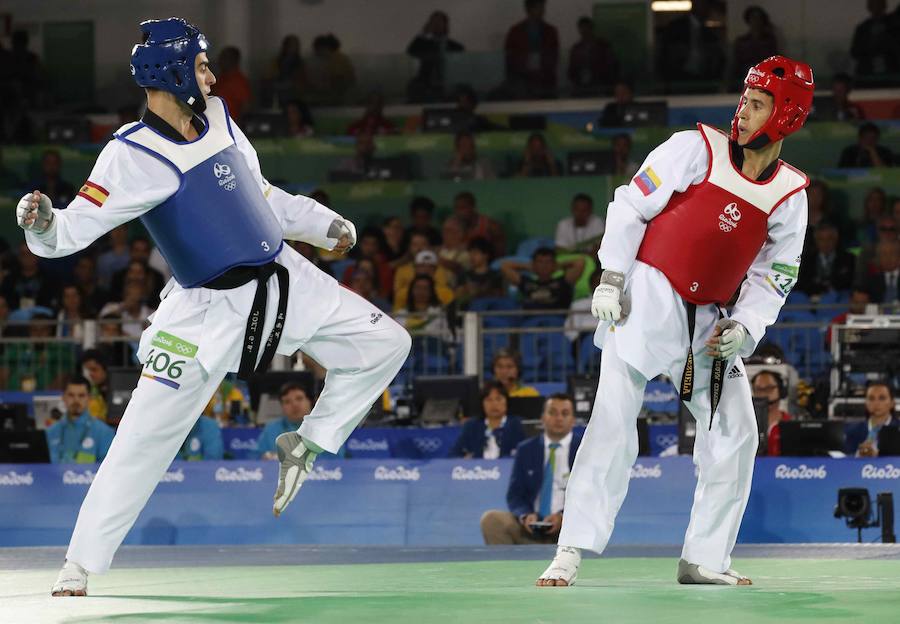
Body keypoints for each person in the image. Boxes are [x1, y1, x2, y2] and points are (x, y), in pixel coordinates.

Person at [18, 18, 410, 597]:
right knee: (142, 440)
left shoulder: (221, 117)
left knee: (387, 344)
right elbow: (75, 227)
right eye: (201, 66)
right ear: (171, 73)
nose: (211, 75)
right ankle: (79, 564)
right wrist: (45, 224)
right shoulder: (131, 153)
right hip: (202, 314)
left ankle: (306, 443)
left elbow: (261, 194)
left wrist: (322, 224)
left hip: (284, 278)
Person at [537, 56, 814, 588]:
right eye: (745, 99)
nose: (743, 112)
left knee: (737, 430)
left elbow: (776, 274)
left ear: (786, 117)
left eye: (757, 105)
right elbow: (629, 207)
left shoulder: (789, 195)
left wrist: (748, 327)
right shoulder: (695, 148)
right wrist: (612, 277)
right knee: (614, 420)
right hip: (646, 296)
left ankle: (704, 557)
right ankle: (569, 551)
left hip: (708, 321)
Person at [481, 394, 582, 544]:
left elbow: (590, 496)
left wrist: (562, 516)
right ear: (543, 418)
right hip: (530, 529)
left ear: (573, 420)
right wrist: (525, 515)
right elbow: (515, 495)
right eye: (552, 413)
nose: (559, 418)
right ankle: (509, 567)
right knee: (491, 520)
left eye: (565, 414)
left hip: (569, 530)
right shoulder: (526, 449)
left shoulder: (585, 450)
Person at [45, 376, 116, 465]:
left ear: (89, 398)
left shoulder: (105, 432)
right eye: (71, 395)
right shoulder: (50, 432)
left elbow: (107, 470)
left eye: (81, 396)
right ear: (63, 397)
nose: (76, 400)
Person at [657, 0, 725, 88]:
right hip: (677, 81)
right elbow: (664, 55)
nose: (708, 9)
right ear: (695, 4)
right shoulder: (675, 27)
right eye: (704, 5)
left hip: (704, 82)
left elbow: (719, 58)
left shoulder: (710, 34)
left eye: (709, 6)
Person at [450, 382, 525, 458]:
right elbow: (453, 455)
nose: (494, 404)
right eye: (489, 400)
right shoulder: (472, 426)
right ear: (482, 404)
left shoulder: (519, 425)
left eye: (498, 399)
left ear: (507, 402)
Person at [503, 0, 559, 99]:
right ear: (529, 9)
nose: (542, 11)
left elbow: (554, 57)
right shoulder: (515, 32)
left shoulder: (550, 31)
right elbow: (509, 60)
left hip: (545, 82)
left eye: (543, 7)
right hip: (522, 84)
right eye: (539, 8)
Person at [406, 10, 464, 103]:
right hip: (426, 87)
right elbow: (411, 51)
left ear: (446, 25)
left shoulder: (456, 47)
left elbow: (461, 67)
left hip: (449, 86)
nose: (436, 25)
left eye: (439, 22)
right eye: (433, 22)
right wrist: (423, 33)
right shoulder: (424, 45)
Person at [501, 247, 585, 311]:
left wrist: (559, 266)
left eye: (548, 262)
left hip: (558, 323)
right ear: (533, 264)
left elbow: (580, 262)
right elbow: (505, 266)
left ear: (554, 264)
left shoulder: (563, 282)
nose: (544, 266)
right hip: (530, 323)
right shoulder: (526, 282)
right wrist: (528, 267)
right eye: (540, 262)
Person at [796, 221, 855, 296]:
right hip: (810, 299)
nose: (825, 243)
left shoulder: (848, 259)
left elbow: (848, 283)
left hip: (838, 299)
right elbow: (803, 283)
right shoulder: (807, 260)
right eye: (821, 239)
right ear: (816, 241)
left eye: (829, 238)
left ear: (836, 239)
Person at [256, 382, 314, 459]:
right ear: (282, 407)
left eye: (299, 398)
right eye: (287, 402)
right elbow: (258, 458)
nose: (294, 404)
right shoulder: (271, 429)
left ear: (310, 401)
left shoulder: (327, 427)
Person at [850, 0, 899, 81]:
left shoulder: (893, 25)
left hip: (892, 72)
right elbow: (854, 52)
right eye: (874, 5)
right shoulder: (862, 28)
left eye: (878, 5)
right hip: (868, 73)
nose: (876, 8)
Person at [846, 381, 898, 457]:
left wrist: (877, 457)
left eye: (882, 398)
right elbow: (844, 458)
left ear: (892, 403)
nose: (876, 403)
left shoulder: (897, 429)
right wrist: (858, 455)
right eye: (871, 398)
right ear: (866, 403)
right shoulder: (852, 431)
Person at [731, 6, 778, 90]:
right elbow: (735, 62)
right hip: (745, 73)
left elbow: (773, 59)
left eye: (759, 18)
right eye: (753, 18)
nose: (756, 21)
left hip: (765, 73)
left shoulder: (769, 40)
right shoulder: (742, 41)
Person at [567, 17, 616, 96]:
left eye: (587, 28)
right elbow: (571, 71)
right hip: (581, 89)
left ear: (592, 28)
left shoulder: (603, 46)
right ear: (579, 30)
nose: (584, 31)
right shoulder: (576, 49)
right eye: (582, 28)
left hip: (600, 87)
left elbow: (611, 66)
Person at [751, 370, 791, 456]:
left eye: (769, 388)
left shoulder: (790, 423)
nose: (764, 393)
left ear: (781, 390)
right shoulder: (746, 425)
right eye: (759, 389)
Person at [454, 191, 506, 257]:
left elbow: (500, 254)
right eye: (456, 208)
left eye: (463, 208)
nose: (459, 212)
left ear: (473, 207)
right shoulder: (455, 227)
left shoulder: (491, 226)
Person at [456, 237, 504, 305]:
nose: (472, 256)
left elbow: (499, 296)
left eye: (475, 253)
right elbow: (457, 296)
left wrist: (480, 291)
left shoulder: (496, 275)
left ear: (486, 255)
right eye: (470, 253)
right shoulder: (464, 275)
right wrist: (465, 289)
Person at [211, 46, 251, 123]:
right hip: (215, 122)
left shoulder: (239, 81)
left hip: (231, 124)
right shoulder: (217, 79)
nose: (220, 61)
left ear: (233, 60)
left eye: (224, 58)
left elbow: (245, 107)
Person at [858, 239, 900, 304]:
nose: (888, 258)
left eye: (892, 253)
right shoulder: (871, 280)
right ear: (879, 259)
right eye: (884, 254)